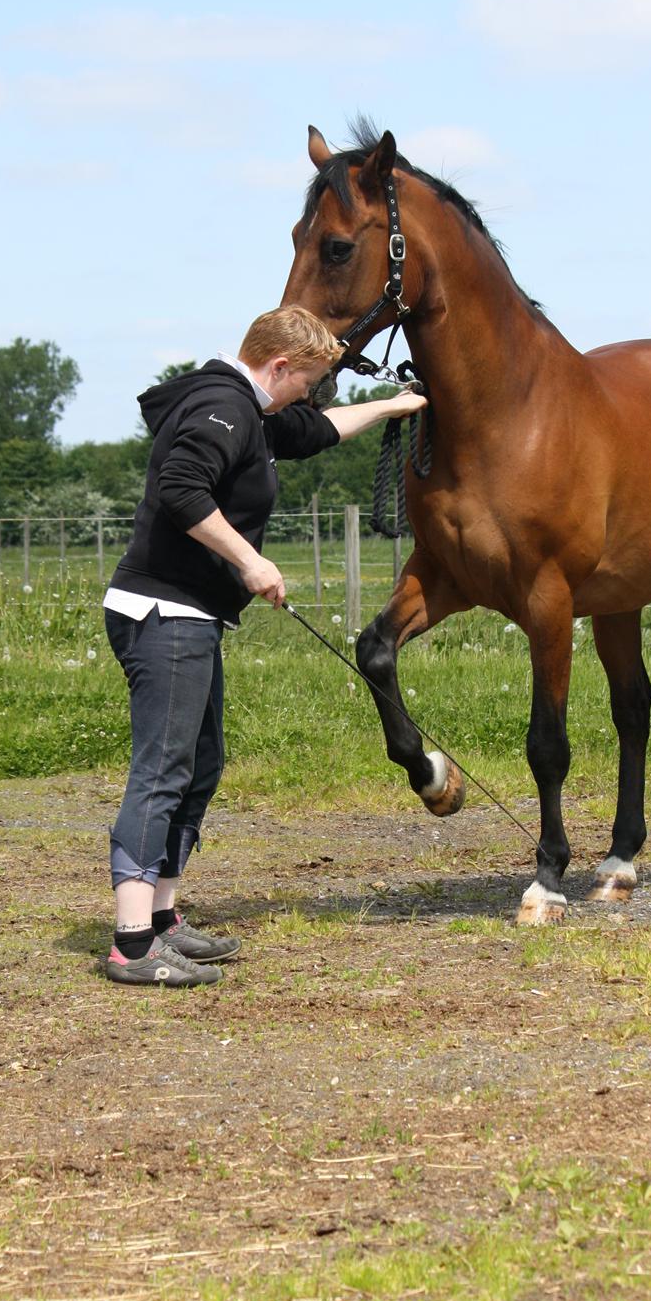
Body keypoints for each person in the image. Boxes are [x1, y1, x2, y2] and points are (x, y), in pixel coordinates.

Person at [102, 304, 427, 988]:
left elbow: (315, 431)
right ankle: (131, 944)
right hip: (163, 613)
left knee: (199, 765)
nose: (308, 396)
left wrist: (392, 408)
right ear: (279, 366)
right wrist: (249, 561)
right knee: (163, 769)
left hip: (191, 614)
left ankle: (162, 920)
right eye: (306, 382)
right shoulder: (221, 407)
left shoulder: (249, 410)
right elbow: (181, 488)